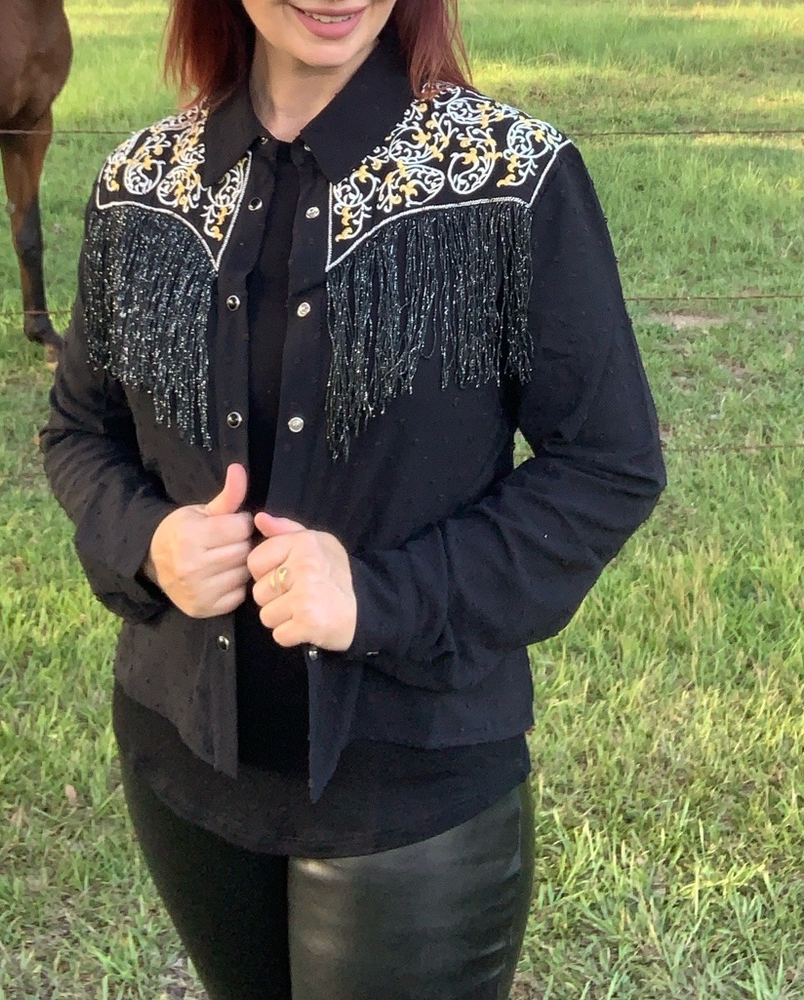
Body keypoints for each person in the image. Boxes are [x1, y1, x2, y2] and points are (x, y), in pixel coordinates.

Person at [41, 0, 666, 997]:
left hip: (412, 792)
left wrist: (383, 595)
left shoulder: (510, 179)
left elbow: (608, 463)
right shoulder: (141, 182)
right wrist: (148, 541)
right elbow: (79, 430)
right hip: (182, 765)